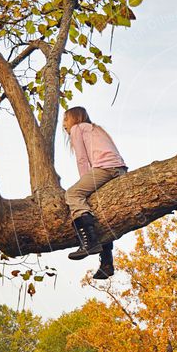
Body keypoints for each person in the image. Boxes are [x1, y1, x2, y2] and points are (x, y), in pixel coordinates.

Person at [62, 106, 128, 279]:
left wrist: (85, 182)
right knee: (100, 211)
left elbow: (82, 159)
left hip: (106, 169)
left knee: (73, 194)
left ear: (75, 118)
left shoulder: (78, 128)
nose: (64, 125)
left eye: (65, 120)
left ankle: (89, 243)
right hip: (120, 170)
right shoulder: (96, 129)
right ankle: (107, 262)